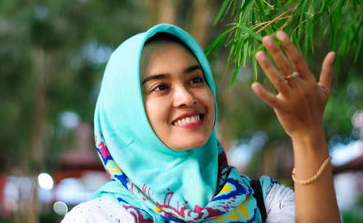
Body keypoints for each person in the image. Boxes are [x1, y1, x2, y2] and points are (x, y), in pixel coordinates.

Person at [62, 23, 341, 222]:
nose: (186, 97)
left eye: (195, 79)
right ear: (127, 113)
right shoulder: (100, 217)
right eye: (160, 87)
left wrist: (308, 134)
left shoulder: (266, 202)